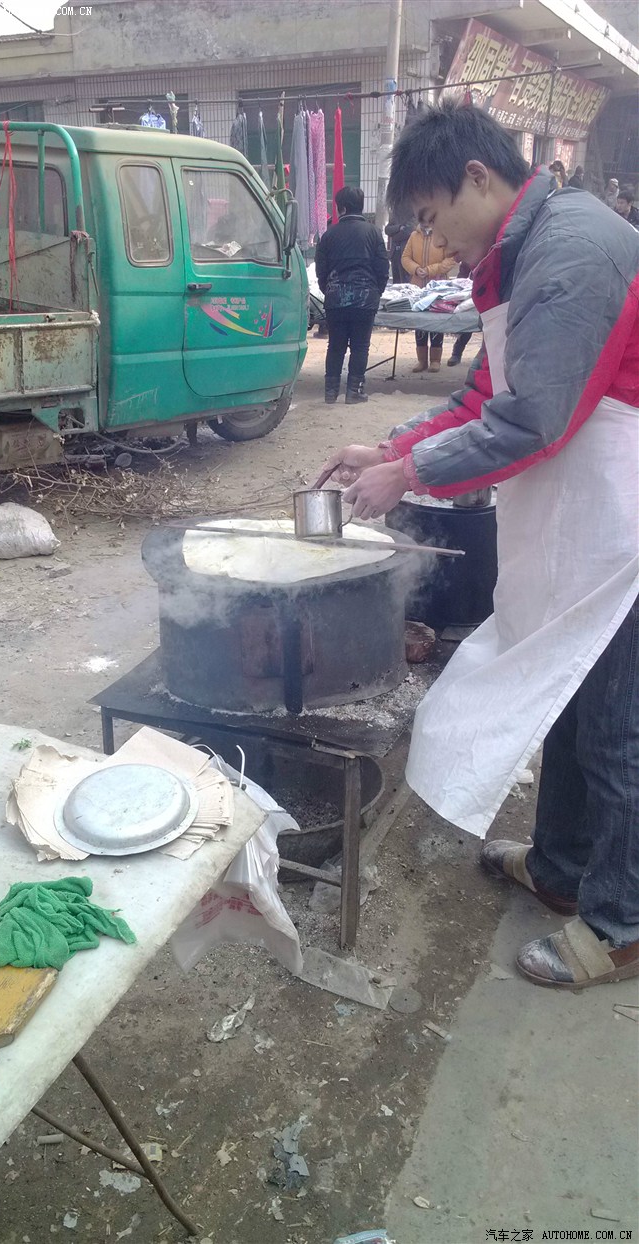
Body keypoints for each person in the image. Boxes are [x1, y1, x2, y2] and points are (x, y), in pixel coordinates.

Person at [320, 101, 639, 989]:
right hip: (583, 516)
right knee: (566, 698)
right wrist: (389, 450)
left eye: (429, 218)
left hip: (625, 523)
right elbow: (481, 400)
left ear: (478, 179)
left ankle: (623, 923)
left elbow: (534, 420)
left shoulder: (570, 251)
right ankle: (564, 872)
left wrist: (408, 479)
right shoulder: (517, 257)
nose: (432, 243)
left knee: (617, 729)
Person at [314, 185, 389, 404]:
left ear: (341, 208)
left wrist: (329, 289)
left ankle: (330, 392)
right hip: (365, 299)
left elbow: (321, 270)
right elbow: (383, 268)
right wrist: (376, 291)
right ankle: (354, 392)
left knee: (335, 345)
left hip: (335, 298)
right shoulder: (374, 233)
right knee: (360, 345)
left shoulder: (328, 235)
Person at [401, 221, 457, 372]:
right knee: (420, 322)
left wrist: (431, 270)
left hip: (438, 287)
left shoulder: (442, 236)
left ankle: (435, 360)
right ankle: (421, 360)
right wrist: (416, 269)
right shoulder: (414, 236)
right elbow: (405, 258)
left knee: (436, 321)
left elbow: (451, 260)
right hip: (418, 286)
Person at [384, 215, 413, 283]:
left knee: (405, 280)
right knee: (396, 280)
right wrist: (399, 227)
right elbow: (387, 230)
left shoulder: (411, 214)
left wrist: (394, 235)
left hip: (406, 253)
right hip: (394, 253)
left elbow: (409, 232)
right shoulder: (394, 216)